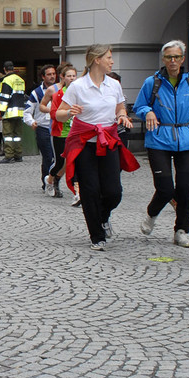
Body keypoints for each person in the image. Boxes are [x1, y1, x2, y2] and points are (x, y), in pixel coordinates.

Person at [56, 45, 139, 251]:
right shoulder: (78, 86)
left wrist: (122, 116)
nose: (112, 61)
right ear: (96, 60)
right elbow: (59, 114)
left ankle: (102, 217)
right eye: (108, 57)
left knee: (114, 192)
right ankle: (96, 235)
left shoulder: (114, 85)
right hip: (84, 144)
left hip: (108, 141)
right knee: (90, 190)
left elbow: (120, 107)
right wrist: (70, 112)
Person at [133, 41, 189, 248]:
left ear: (183, 59)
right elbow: (139, 106)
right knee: (165, 188)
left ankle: (181, 230)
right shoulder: (152, 82)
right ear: (163, 59)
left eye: (177, 57)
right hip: (159, 138)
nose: (173, 61)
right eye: (169, 57)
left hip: (187, 138)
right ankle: (152, 214)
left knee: (186, 188)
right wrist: (148, 112)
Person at [41, 64, 77, 200]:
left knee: (74, 161)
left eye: (74, 76)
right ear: (63, 78)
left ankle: (78, 190)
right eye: (69, 76)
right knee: (60, 162)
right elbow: (53, 113)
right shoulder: (58, 94)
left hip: (76, 132)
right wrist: (67, 113)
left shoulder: (80, 93)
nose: (72, 78)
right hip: (60, 132)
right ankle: (50, 179)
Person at [24, 64, 58, 192]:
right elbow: (27, 111)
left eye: (53, 74)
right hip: (43, 127)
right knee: (48, 156)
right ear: (43, 77)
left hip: (58, 127)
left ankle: (55, 181)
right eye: (49, 74)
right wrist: (32, 122)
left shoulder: (60, 89)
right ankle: (47, 183)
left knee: (59, 158)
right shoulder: (37, 93)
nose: (52, 76)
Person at [0, 61, 25, 163]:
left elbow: (5, 97)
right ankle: (18, 155)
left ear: (4, 69)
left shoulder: (6, 80)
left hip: (9, 112)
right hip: (20, 112)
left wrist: (1, 112)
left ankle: (9, 155)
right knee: (17, 135)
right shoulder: (20, 80)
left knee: (8, 135)